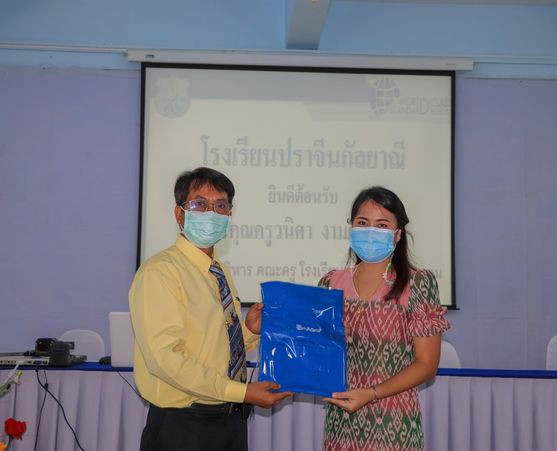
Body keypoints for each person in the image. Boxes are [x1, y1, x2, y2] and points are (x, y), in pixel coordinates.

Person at [129, 167, 291, 451]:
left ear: (229, 215)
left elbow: (213, 343)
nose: (211, 214)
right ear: (179, 214)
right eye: (200, 204)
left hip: (230, 420)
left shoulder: (219, 271)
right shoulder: (160, 272)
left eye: (221, 206)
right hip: (183, 427)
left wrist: (249, 330)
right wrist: (241, 392)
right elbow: (166, 359)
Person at [318, 186, 450, 451]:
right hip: (341, 424)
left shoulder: (418, 283)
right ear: (351, 227)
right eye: (362, 222)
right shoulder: (330, 283)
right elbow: (316, 359)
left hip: (394, 424)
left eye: (381, 225)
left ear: (397, 234)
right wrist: (329, 341)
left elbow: (427, 365)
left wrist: (372, 393)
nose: (370, 231)